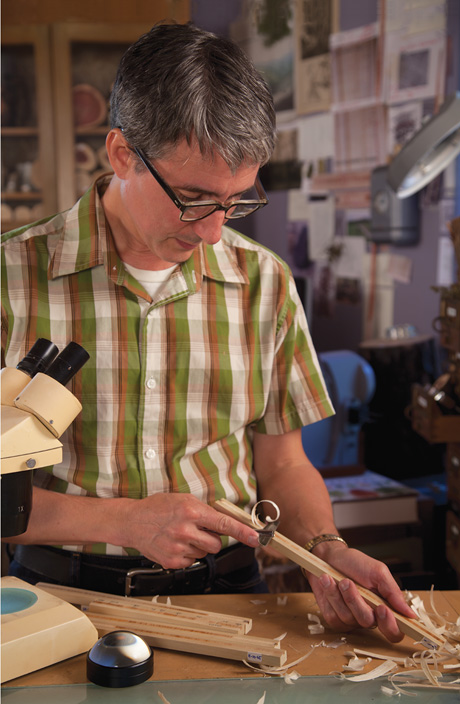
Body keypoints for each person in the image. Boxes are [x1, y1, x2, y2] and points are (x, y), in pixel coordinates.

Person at [1, 22, 414, 641]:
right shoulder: (11, 276)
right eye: (193, 198)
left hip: (230, 596)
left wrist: (325, 550)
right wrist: (122, 522)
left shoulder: (263, 281)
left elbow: (283, 464)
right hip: (60, 600)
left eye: (236, 201)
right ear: (122, 155)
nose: (214, 232)